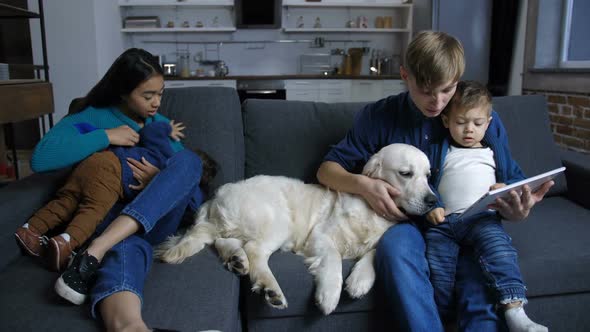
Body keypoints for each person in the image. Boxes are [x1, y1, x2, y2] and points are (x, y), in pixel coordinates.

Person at [316, 31, 554, 331]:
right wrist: (366, 185)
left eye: (447, 89)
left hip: (469, 221)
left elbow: (508, 182)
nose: (438, 101)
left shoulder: (475, 118)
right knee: (395, 249)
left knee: (476, 275)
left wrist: (517, 209)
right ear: (405, 75)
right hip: (404, 225)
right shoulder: (379, 116)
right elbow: (327, 170)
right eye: (426, 90)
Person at [29, 48, 205, 332]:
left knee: (189, 160)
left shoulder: (160, 126)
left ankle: (94, 251)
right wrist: (106, 136)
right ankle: (132, 328)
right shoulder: (92, 118)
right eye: (147, 96)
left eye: (160, 93)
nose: (157, 103)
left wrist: (158, 181)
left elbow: (193, 196)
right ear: (123, 92)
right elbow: (42, 158)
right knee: (124, 252)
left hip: (158, 222)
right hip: (113, 223)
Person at [424, 80, 547, 332]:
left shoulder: (493, 152)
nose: (469, 130)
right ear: (446, 121)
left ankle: (514, 311)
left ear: (489, 123)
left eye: (478, 124)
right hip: (444, 224)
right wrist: (431, 206)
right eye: (461, 122)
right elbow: (423, 183)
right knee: (438, 272)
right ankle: (444, 319)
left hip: (482, 219)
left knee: (500, 251)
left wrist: (504, 189)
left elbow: (516, 180)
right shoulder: (439, 150)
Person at [15, 119, 184, 272]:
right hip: (113, 174)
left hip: (90, 162)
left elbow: (151, 131)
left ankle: (30, 229)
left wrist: (165, 129)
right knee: (93, 210)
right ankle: (66, 242)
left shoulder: (151, 149)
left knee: (66, 201)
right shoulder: (167, 159)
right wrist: (168, 128)